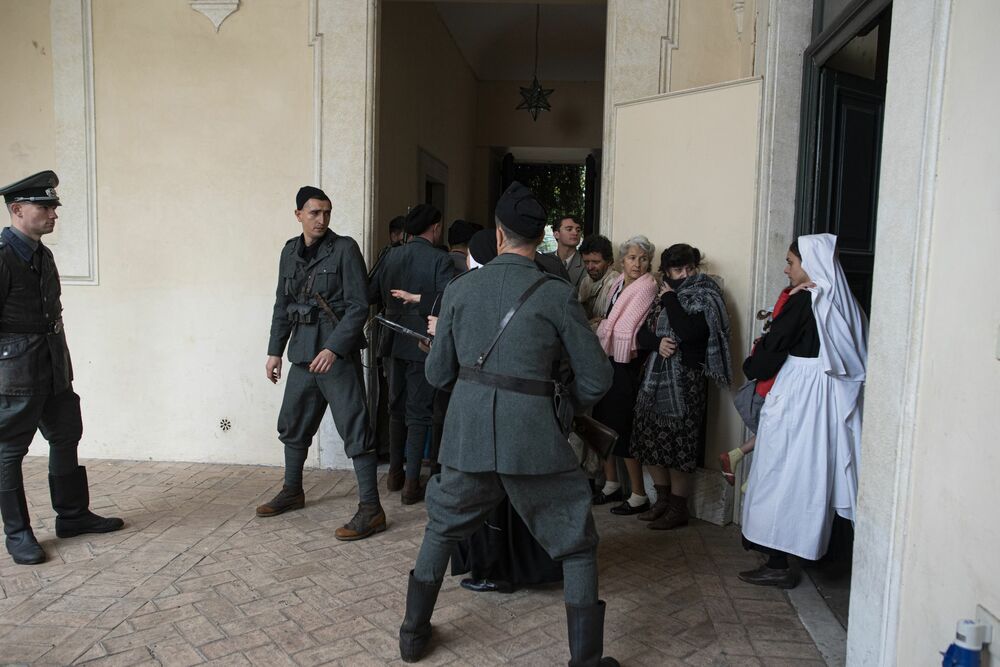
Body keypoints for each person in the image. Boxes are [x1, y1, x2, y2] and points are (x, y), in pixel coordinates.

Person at [399, 182, 617, 666]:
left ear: (498, 235)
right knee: (577, 545)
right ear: (539, 237)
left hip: (467, 438)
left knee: (441, 529)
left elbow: (438, 375)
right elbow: (597, 377)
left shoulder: (459, 289)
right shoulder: (557, 293)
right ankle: (585, 661)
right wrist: (561, 406)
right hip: (535, 440)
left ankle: (413, 636)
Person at [0, 170, 124, 565]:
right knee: (9, 452)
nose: (54, 213)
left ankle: (71, 516)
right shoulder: (3, 257)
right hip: (17, 373)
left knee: (66, 434)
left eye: (54, 206)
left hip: (54, 364)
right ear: (18, 210)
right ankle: (18, 534)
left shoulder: (42, 254)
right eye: (45, 206)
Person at [739, 235, 867, 588]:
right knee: (809, 476)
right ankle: (808, 552)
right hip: (825, 397)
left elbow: (773, 348)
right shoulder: (840, 300)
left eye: (791, 262)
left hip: (799, 394)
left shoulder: (806, 300)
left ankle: (778, 562)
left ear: (809, 264)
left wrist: (752, 365)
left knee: (779, 474)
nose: (786, 269)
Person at [260, 185, 384, 542]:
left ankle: (372, 509)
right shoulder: (289, 253)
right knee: (293, 424)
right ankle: (292, 490)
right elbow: (282, 305)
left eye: (327, 212)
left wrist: (333, 348)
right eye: (314, 213)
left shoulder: (344, 249)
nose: (322, 219)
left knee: (356, 430)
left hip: (335, 357)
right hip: (301, 352)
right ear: (298, 214)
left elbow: (359, 306)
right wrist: (274, 351)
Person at [448, 227, 563, 595]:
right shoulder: (551, 282)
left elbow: (442, 371)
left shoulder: (468, 289)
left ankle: (492, 570)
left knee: (488, 502)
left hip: (487, 416)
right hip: (538, 413)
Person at [631, 244, 732, 529]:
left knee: (679, 444)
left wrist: (672, 300)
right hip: (654, 380)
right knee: (649, 438)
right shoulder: (658, 295)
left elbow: (690, 333)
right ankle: (661, 501)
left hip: (686, 382)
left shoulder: (706, 294)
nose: (685, 274)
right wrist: (657, 343)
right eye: (677, 269)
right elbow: (640, 332)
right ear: (666, 271)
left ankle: (678, 508)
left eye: (690, 268)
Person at [369, 204, 456, 502]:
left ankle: (395, 474)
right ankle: (410, 485)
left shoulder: (390, 254)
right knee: (419, 412)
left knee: (395, 406)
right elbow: (447, 301)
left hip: (391, 339)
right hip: (421, 341)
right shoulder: (440, 259)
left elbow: (370, 292)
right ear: (435, 227)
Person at [592, 236, 659, 516]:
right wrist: (604, 325)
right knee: (602, 420)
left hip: (627, 362)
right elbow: (612, 319)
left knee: (623, 425)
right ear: (622, 261)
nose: (638, 263)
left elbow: (626, 328)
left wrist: (600, 327)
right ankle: (611, 483)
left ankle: (638, 494)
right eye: (632, 258)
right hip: (610, 358)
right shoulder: (619, 281)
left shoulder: (648, 286)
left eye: (643, 258)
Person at [577, 234, 620, 329]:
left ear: (609, 261)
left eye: (596, 262)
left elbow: (607, 323)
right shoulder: (586, 281)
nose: (590, 267)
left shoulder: (615, 283)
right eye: (586, 262)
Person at [544, 215, 585, 288]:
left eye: (578, 230)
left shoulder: (586, 262)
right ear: (556, 234)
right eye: (569, 229)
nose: (575, 233)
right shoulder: (544, 260)